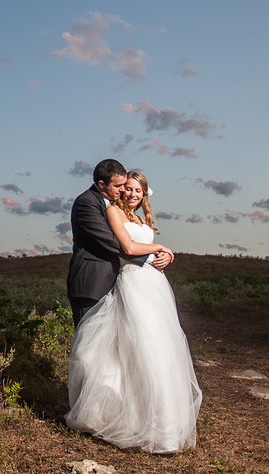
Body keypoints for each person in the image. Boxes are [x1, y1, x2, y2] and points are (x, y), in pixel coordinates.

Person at [65, 171, 202, 453]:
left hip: (154, 285)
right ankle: (120, 415)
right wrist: (160, 247)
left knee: (160, 349)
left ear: (144, 194)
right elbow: (126, 247)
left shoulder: (140, 219)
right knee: (137, 347)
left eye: (138, 191)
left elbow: (142, 247)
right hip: (131, 282)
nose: (132, 194)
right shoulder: (114, 212)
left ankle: (162, 424)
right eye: (127, 188)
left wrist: (165, 255)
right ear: (118, 190)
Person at [66, 159, 170, 328]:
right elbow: (110, 242)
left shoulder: (117, 208)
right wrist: (151, 257)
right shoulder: (87, 203)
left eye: (125, 185)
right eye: (119, 186)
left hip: (114, 281)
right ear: (101, 184)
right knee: (88, 340)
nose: (123, 190)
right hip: (91, 282)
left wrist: (159, 255)